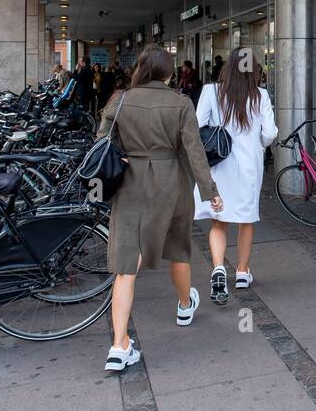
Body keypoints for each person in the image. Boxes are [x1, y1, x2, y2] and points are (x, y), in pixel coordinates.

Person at [100, 46, 224, 372]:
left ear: (140, 69)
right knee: (178, 249)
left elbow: (102, 144)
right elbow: (196, 152)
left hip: (130, 184)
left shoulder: (120, 100)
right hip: (172, 183)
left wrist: (126, 159)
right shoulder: (181, 103)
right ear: (168, 73)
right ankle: (185, 305)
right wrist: (211, 192)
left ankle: (119, 344)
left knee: (127, 264)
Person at [194, 48, 278, 303]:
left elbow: (197, 126)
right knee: (246, 219)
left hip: (219, 163)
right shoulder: (260, 95)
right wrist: (259, 144)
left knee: (218, 220)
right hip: (249, 164)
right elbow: (270, 132)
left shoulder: (211, 91)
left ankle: (219, 267)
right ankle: (242, 271)